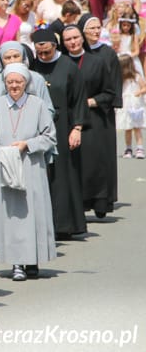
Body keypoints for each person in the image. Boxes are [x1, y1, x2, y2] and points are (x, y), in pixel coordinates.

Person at [0, 63, 57, 281]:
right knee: (11, 216)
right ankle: (16, 262)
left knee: (32, 214)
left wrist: (27, 144)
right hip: (4, 166)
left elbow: (49, 137)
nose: (14, 86)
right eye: (10, 82)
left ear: (26, 83)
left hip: (31, 166)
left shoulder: (38, 105)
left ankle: (33, 259)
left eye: (18, 82)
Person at [31, 28, 88, 240]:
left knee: (64, 174)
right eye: (40, 53)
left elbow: (79, 99)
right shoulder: (33, 67)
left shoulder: (68, 67)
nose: (44, 57)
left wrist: (77, 127)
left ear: (55, 46)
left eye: (47, 52)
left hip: (64, 124)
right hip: (39, 126)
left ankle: (65, 224)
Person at [63, 24, 117, 219]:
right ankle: (79, 205)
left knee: (94, 162)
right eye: (68, 39)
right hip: (70, 120)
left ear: (82, 38)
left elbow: (109, 93)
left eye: (76, 38)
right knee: (76, 164)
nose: (73, 42)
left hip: (94, 118)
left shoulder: (97, 62)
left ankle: (99, 201)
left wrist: (90, 102)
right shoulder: (62, 62)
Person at [117, 54, 146, 159]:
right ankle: (128, 148)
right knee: (127, 128)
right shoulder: (120, 79)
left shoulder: (137, 77)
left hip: (135, 104)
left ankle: (139, 148)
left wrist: (138, 92)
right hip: (125, 105)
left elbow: (144, 87)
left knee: (137, 127)